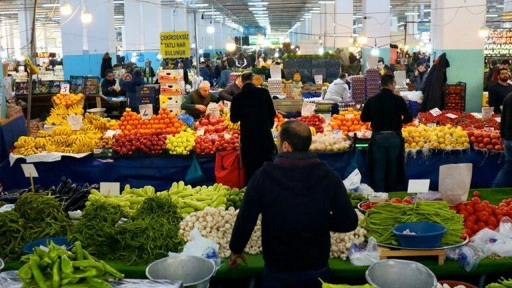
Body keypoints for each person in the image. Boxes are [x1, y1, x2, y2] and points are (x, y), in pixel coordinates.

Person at [229, 120, 359, 288]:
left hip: (278, 268)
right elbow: (349, 221)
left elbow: (246, 218)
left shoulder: (263, 176)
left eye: (278, 141)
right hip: (316, 267)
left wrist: (236, 249)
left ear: (286, 146)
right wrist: (320, 221)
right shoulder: (328, 175)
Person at [361, 74, 413, 192]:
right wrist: (400, 121)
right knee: (393, 167)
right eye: (394, 84)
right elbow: (409, 117)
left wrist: (375, 117)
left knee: (378, 167)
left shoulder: (372, 100)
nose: (395, 86)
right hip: (394, 137)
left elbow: (363, 118)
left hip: (378, 137)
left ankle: (379, 194)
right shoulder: (398, 100)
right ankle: (391, 194)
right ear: (390, 84)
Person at [230, 71, 276, 184]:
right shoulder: (264, 92)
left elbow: (234, 119)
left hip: (248, 140)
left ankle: (252, 194)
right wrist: (268, 126)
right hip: (265, 137)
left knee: (251, 171)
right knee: (267, 169)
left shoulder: (237, 97)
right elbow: (272, 113)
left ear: (241, 81)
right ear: (253, 80)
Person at [492, 91, 512, 187]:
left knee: (509, 165)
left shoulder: (508, 96)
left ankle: (495, 188)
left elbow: (503, 118)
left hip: (508, 139)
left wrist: (502, 135)